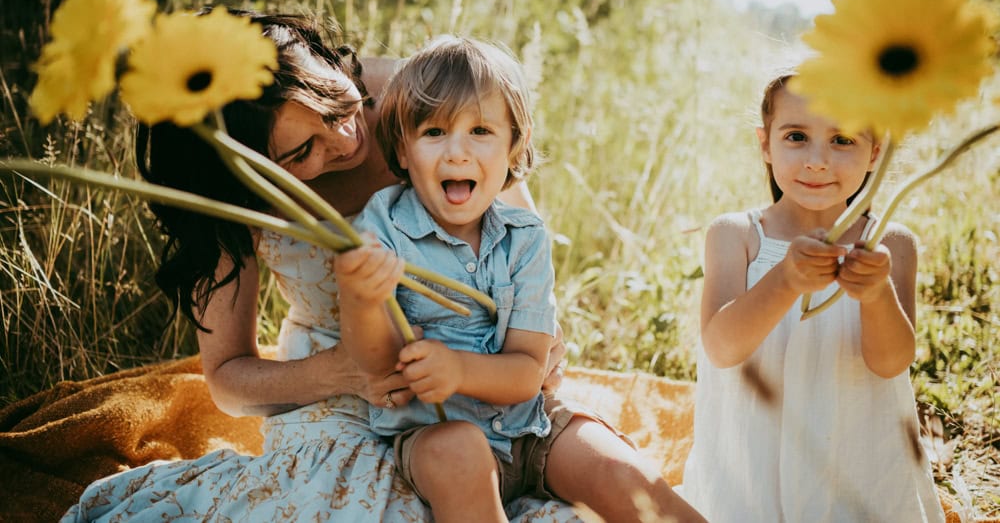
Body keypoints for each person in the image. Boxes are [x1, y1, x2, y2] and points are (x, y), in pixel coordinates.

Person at [62, 13, 582, 521]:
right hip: (338, 384)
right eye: (304, 150)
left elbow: (515, 248)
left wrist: (536, 339)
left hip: (481, 364)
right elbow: (227, 379)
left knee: (584, 470)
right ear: (249, 176)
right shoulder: (230, 197)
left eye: (334, 103)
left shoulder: (427, 99)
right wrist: (341, 372)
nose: (346, 137)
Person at [335, 35, 707, 523]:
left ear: (515, 148)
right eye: (433, 133)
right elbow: (377, 362)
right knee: (461, 455)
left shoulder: (524, 236)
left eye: (481, 131)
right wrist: (362, 298)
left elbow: (529, 369)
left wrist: (460, 370)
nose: (458, 152)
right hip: (433, 431)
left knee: (620, 472)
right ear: (402, 151)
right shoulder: (381, 227)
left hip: (531, 426)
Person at [679, 72, 945, 522]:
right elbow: (722, 349)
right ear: (765, 144)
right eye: (797, 136)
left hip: (856, 464)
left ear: (874, 153)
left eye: (842, 139)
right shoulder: (738, 236)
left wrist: (877, 294)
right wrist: (784, 280)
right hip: (752, 467)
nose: (818, 161)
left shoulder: (890, 244)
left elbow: (892, 363)